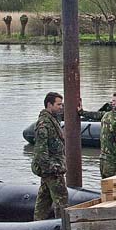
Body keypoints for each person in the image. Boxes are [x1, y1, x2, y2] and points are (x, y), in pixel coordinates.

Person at [31, 92, 68, 220]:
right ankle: (62, 226)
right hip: (52, 169)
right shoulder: (44, 124)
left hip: (52, 167)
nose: (60, 107)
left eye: (62, 105)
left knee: (44, 199)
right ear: (49, 104)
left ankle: (37, 222)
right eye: (58, 104)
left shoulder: (53, 119)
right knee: (61, 199)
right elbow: (41, 151)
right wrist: (52, 168)